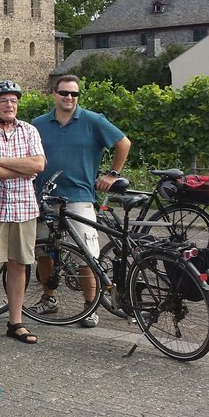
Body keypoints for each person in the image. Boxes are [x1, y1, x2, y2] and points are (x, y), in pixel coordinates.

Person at [31, 74, 131, 328]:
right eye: (64, 93)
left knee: (86, 256)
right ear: (53, 94)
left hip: (79, 197)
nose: (69, 98)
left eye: (74, 94)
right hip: (45, 197)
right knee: (43, 251)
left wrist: (112, 174)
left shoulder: (93, 120)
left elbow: (123, 143)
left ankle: (90, 306)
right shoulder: (38, 124)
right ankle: (48, 298)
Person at [0, 80, 46, 345]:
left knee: (19, 265)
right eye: (4, 101)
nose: (9, 105)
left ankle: (15, 322)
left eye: (14, 101)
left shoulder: (29, 130)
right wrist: (20, 168)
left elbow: (38, 164)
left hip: (24, 207)